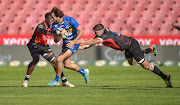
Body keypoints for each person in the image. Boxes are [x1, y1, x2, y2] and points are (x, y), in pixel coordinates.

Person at [77, 24, 172, 88]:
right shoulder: (102, 34)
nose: (95, 34)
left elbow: (93, 41)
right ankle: (150, 49)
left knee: (145, 65)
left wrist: (79, 41)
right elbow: (91, 43)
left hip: (132, 45)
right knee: (132, 62)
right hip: (127, 48)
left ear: (101, 31)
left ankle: (165, 77)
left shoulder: (106, 35)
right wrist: (79, 48)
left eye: (96, 32)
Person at [22, 12, 75, 87]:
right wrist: (50, 33)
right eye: (50, 19)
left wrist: (60, 34)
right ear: (46, 19)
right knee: (36, 59)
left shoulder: (54, 26)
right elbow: (41, 30)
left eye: (53, 19)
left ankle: (64, 81)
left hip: (44, 46)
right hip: (34, 44)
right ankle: (26, 80)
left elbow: (56, 39)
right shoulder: (41, 25)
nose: (52, 20)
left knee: (55, 63)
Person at [47, 7, 89, 86]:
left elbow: (81, 30)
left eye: (53, 17)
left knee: (59, 59)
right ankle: (84, 72)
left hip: (73, 44)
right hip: (65, 45)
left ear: (58, 16)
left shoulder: (69, 20)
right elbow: (56, 40)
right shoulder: (54, 26)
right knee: (67, 65)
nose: (52, 19)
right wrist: (60, 34)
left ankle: (57, 80)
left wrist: (74, 41)